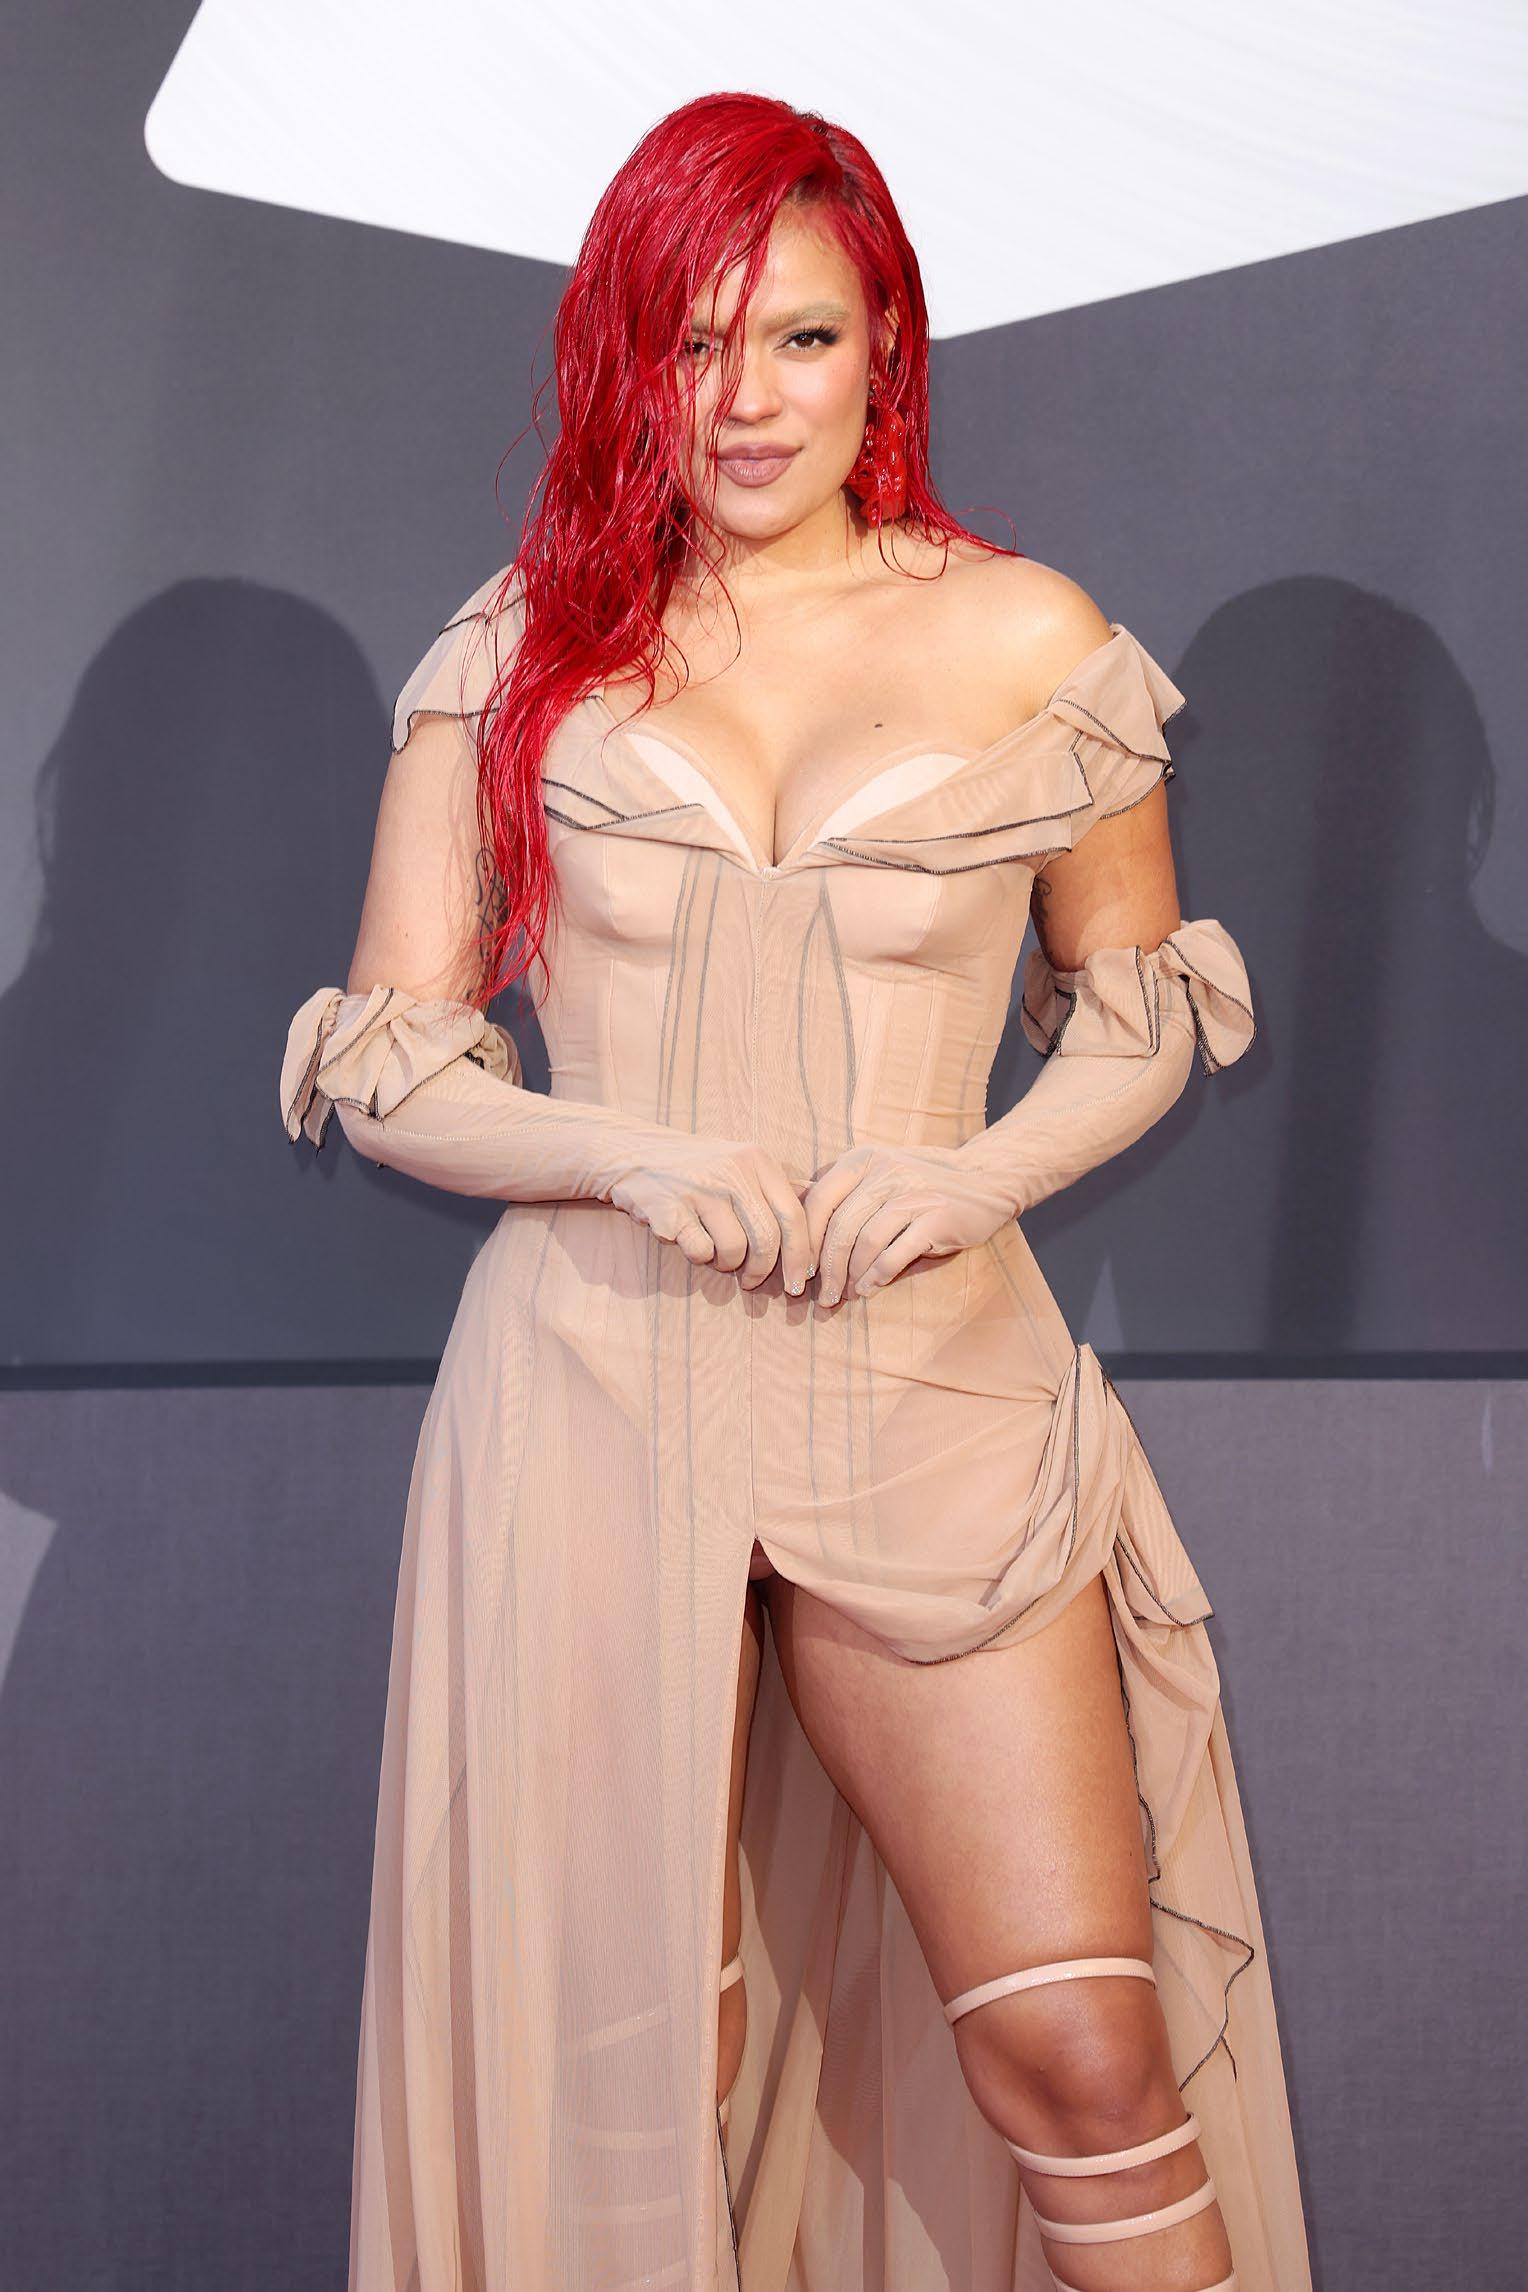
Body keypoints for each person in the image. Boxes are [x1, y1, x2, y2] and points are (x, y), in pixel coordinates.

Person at [279, 92, 1311, 2292]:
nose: (743, 400)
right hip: (591, 1394)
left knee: (1082, 2058)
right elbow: (388, 1059)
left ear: (885, 353)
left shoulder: (1028, 636)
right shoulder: (518, 650)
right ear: (622, 361)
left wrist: (967, 1181)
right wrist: (628, 1150)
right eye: (690, 343)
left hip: (933, 1391)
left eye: (800, 340)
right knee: (633, 2086)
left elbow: (1134, 1012)